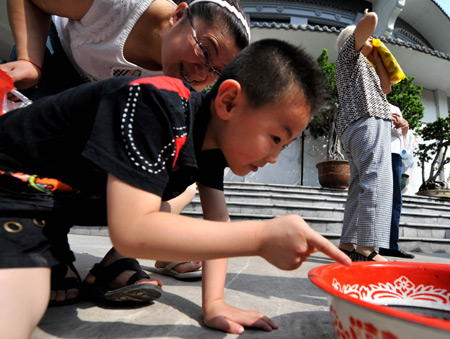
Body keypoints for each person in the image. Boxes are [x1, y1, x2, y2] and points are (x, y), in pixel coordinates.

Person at [0, 38, 351, 338]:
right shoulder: (156, 103)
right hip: (14, 186)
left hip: (61, 199)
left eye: (284, 146)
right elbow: (132, 229)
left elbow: (218, 221)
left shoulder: (212, 143)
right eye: (276, 137)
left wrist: (214, 305)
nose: (274, 157)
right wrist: (259, 238)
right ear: (228, 102)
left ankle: (82, 262)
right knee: (17, 311)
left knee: (180, 188)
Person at [0, 0, 251, 305]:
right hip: (54, 63)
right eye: (205, 52)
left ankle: (118, 259)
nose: (201, 74)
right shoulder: (120, 5)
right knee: (45, 156)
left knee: (172, 170)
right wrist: (30, 60)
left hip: (105, 114)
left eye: (216, 72)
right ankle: (48, 244)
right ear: (179, 15)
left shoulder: (180, 101)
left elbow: (214, 214)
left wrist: (214, 302)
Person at [335, 9, 393, 262]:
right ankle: (367, 249)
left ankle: (348, 245)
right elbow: (371, 22)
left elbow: (386, 88)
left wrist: (377, 58)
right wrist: (366, 18)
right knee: (377, 181)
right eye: (367, 39)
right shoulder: (348, 57)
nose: (372, 40)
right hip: (367, 121)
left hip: (356, 126)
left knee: (359, 185)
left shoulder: (363, 67)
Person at [378, 104, 415, 258]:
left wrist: (405, 129)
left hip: (394, 154)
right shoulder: (369, 99)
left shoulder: (394, 107)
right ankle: (366, 244)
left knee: (395, 200)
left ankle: (390, 245)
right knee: (373, 196)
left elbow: (401, 137)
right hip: (376, 150)